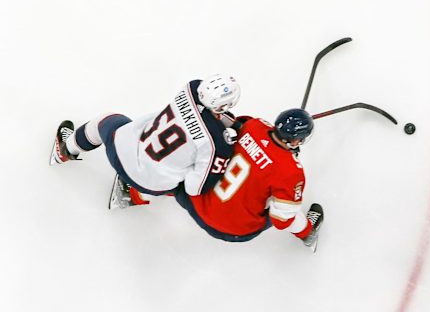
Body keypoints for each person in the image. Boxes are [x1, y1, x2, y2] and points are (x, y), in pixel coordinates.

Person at [50, 74, 241, 204]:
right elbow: (194, 188)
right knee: (181, 176)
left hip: (122, 149)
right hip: (150, 183)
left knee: (105, 120)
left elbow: (204, 111)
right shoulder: (216, 143)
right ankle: (133, 194)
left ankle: (66, 150)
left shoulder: (191, 88)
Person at [172, 108, 324, 244]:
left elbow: (235, 125)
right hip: (231, 230)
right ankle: (308, 234)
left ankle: (159, 187)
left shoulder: (254, 125)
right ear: (296, 140)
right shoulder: (291, 171)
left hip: (194, 202)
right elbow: (281, 221)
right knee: (284, 206)